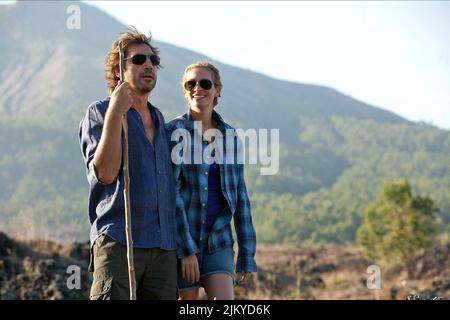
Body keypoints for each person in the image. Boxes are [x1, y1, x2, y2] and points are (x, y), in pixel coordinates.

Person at [78, 27, 177, 300]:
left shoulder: (160, 120)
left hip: (164, 248)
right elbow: (106, 174)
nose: (149, 65)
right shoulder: (99, 111)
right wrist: (115, 112)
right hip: (120, 241)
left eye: (153, 61)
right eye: (138, 59)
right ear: (119, 70)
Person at [166, 61, 258, 300]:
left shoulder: (230, 136)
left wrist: (247, 253)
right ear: (185, 90)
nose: (198, 88)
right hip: (183, 241)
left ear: (217, 89)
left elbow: (240, 197)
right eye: (191, 84)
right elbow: (171, 194)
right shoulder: (173, 133)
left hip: (219, 241)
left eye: (205, 83)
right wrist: (186, 250)